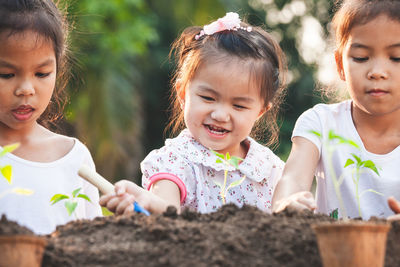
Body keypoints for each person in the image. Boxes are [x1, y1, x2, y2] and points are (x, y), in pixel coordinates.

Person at [100, 12, 287, 215]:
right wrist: (150, 203)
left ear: (260, 111)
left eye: (239, 106)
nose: (220, 115)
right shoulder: (175, 162)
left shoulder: (270, 169)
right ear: (183, 94)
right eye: (208, 98)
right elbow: (167, 212)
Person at [272, 0, 400, 220]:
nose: (377, 72)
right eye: (361, 58)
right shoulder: (320, 123)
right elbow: (292, 180)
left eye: (396, 57)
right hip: (331, 251)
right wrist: (289, 202)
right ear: (340, 65)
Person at [0, 0, 102, 235]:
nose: (26, 89)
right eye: (6, 74)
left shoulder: (73, 158)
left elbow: (93, 242)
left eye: (42, 73)